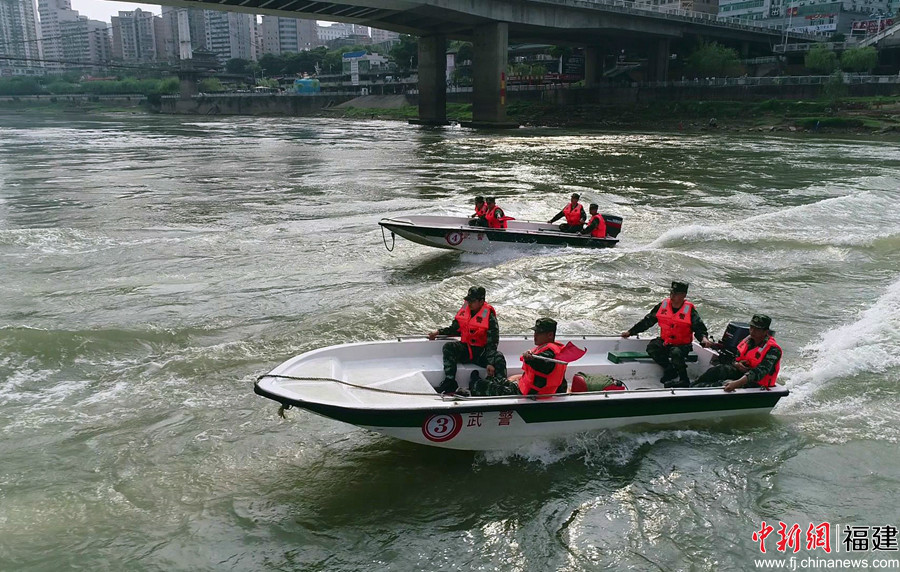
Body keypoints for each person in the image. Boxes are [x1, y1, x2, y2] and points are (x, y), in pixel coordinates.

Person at [621, 281, 712, 388]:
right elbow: (647, 321)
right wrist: (631, 332)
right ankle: (670, 369)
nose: (672, 296)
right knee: (652, 347)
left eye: (676, 294)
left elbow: (700, 329)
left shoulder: (690, 311)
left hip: (682, 345)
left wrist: (704, 339)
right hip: (666, 341)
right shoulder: (663, 306)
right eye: (671, 292)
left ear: (683, 295)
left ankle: (684, 379)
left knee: (676, 352)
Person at [427, 286, 507, 393]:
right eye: (468, 300)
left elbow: (492, 341)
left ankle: (499, 386)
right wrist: (438, 332)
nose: (469, 303)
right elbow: (454, 328)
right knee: (448, 347)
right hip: (466, 349)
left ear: (481, 301)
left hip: (481, 353)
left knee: (498, 357)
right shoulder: (466, 310)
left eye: (473, 301)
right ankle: (450, 382)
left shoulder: (489, 316)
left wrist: (490, 362)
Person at [470, 317, 569, 397]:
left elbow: (544, 363)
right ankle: (488, 380)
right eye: (535, 332)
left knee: (479, 386)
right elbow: (560, 381)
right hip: (525, 387)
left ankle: (475, 383)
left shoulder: (550, 354)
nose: (535, 335)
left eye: (539, 333)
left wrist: (531, 359)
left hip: (527, 395)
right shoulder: (557, 351)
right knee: (500, 380)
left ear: (550, 335)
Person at [693, 314, 782, 391]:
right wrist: (736, 364)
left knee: (722, 384)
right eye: (751, 327)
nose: (752, 331)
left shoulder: (773, 349)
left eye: (757, 329)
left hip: (757, 384)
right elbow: (734, 358)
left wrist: (736, 383)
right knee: (717, 370)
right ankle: (691, 386)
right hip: (741, 374)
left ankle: (695, 390)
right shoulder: (748, 340)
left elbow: (759, 372)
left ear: (765, 332)